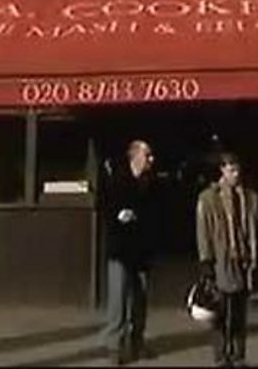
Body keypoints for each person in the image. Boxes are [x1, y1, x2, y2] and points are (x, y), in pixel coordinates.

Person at [196, 152, 258, 368]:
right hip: (220, 259)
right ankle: (221, 356)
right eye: (231, 170)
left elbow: (252, 229)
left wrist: (253, 257)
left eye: (237, 170)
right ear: (222, 170)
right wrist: (206, 262)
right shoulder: (208, 198)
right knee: (220, 311)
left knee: (239, 312)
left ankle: (239, 355)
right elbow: (203, 232)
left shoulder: (249, 197)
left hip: (242, 259)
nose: (235, 175)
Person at [100, 140, 158, 366]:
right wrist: (119, 216)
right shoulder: (118, 181)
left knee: (140, 300)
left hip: (141, 251)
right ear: (135, 157)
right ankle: (114, 347)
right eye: (147, 155)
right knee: (118, 300)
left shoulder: (151, 184)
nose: (151, 160)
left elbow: (157, 214)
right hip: (120, 249)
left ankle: (137, 341)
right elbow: (106, 208)